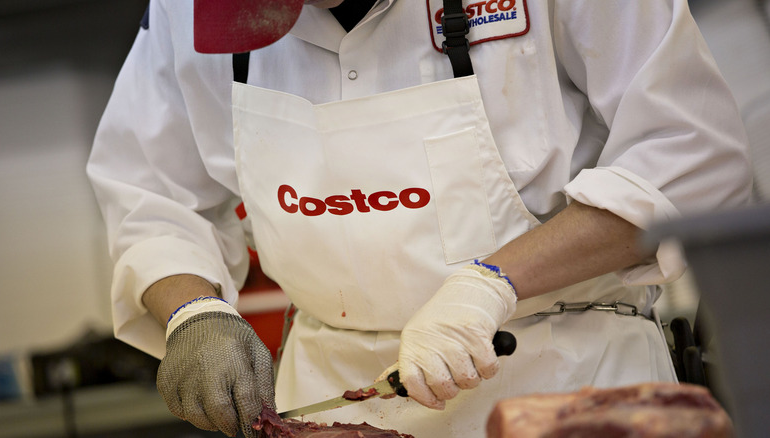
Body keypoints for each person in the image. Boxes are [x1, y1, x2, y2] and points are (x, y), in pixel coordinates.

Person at [86, 0, 753, 436]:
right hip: (329, 391)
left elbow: (692, 156)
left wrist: (488, 285)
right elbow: (149, 190)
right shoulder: (192, 10)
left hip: (567, 382)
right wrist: (192, 313)